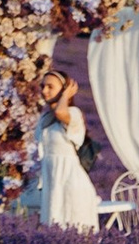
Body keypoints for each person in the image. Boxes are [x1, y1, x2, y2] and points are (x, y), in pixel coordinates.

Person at [28, 61, 100, 229]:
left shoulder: (73, 114)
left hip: (70, 184)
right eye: (42, 86)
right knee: (52, 229)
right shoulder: (45, 118)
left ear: (63, 89)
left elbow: (61, 112)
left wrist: (66, 95)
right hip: (52, 183)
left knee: (75, 230)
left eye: (50, 87)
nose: (44, 91)